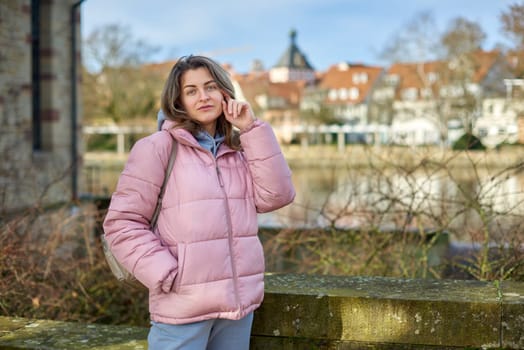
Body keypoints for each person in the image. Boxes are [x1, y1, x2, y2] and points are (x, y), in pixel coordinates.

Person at [102, 55, 295, 350]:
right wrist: (165, 272)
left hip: (237, 309)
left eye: (210, 87)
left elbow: (277, 196)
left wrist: (252, 128)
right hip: (183, 310)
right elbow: (122, 223)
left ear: (225, 93)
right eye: (191, 91)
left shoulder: (239, 150)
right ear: (178, 100)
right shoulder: (157, 148)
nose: (203, 97)